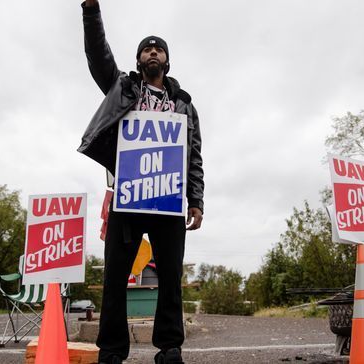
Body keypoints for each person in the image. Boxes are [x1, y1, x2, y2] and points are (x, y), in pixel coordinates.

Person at [78, 1, 205, 363]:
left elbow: (194, 154)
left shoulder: (184, 105)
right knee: (116, 278)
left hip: (168, 200)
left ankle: (169, 349)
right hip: (128, 198)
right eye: (146, 48)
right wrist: (91, 12)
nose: (153, 51)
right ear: (139, 61)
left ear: (167, 60)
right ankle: (112, 352)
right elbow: (97, 54)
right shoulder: (122, 87)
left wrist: (196, 199)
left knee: (170, 278)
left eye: (159, 48)